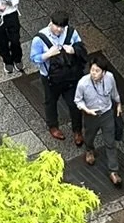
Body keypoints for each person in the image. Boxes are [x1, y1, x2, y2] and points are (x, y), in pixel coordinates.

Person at [30, 13, 85, 142]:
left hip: (69, 76)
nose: (59, 29)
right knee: (50, 101)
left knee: (74, 103)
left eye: (62, 27)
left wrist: (73, 50)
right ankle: (53, 126)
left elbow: (81, 47)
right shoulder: (40, 38)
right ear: (50, 22)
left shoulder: (72, 33)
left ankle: (77, 130)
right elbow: (33, 58)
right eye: (56, 26)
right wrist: (47, 54)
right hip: (50, 78)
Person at [73, 59, 124, 184]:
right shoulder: (83, 83)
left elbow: (114, 92)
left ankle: (113, 171)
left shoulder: (110, 78)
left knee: (110, 142)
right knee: (89, 136)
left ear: (104, 72)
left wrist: (118, 104)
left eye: (97, 71)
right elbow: (78, 100)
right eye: (92, 70)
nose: (94, 73)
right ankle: (89, 149)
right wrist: (86, 110)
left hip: (107, 113)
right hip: (91, 115)